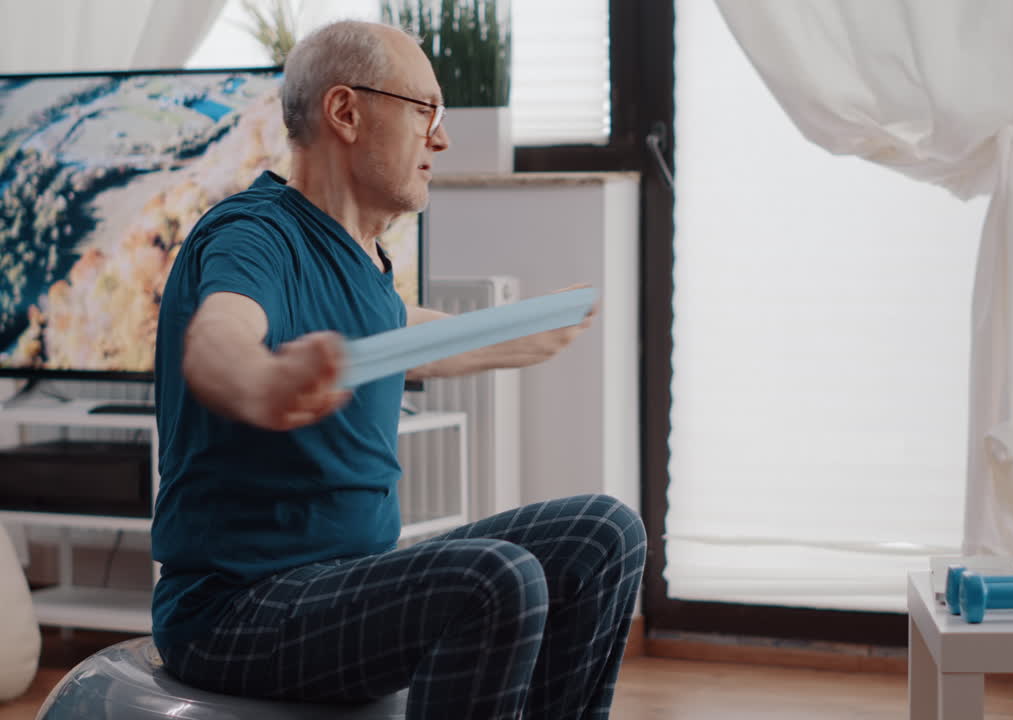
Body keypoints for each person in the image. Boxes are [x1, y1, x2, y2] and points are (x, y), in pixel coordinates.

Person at [150, 20, 645, 719]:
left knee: (603, 533)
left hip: (342, 585)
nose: (440, 139)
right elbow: (218, 335)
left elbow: (405, 335)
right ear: (346, 112)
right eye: (425, 112)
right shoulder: (255, 233)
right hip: (235, 611)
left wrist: (528, 327)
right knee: (494, 578)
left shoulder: (362, 262)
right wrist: (257, 381)